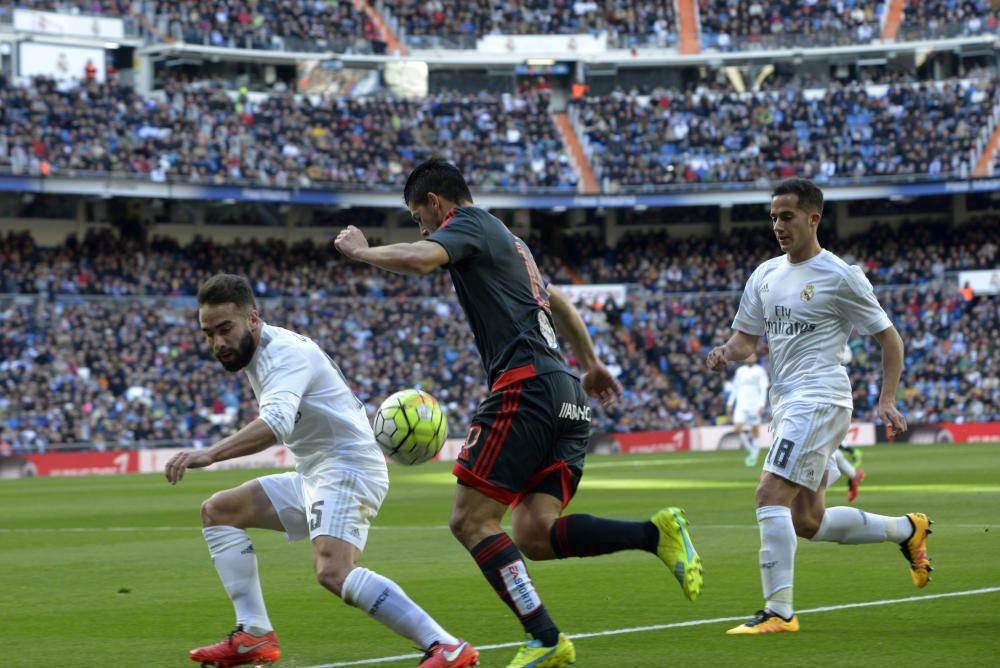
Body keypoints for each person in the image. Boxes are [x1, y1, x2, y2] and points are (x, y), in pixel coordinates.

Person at [335, 158, 702, 667]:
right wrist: (591, 364)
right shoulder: (512, 243)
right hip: (566, 392)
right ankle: (654, 533)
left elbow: (421, 259)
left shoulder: (467, 224)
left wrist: (363, 251)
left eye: (418, 217)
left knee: (470, 521)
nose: (420, 228)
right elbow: (559, 301)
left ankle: (547, 639)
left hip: (524, 388)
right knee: (535, 533)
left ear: (436, 205)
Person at [164, 274, 479, 668]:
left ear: (253, 319)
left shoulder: (284, 355)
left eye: (225, 329)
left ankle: (446, 646)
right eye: (209, 334)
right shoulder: (255, 353)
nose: (218, 343)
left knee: (333, 571)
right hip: (316, 471)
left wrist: (210, 454)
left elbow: (276, 424)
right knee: (219, 511)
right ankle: (254, 636)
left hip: (348, 466)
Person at [705, 178, 932, 635]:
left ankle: (779, 612)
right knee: (806, 520)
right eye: (773, 217)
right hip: (786, 401)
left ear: (813, 218)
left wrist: (886, 398)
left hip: (821, 397)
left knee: (768, 494)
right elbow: (747, 340)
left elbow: (890, 338)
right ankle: (908, 530)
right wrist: (726, 353)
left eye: (786, 216)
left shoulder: (840, 275)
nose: (778, 226)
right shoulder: (764, 275)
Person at [727, 352, 769, 466]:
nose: (750, 357)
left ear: (756, 358)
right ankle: (752, 451)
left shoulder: (760, 371)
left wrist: (761, 405)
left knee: (755, 431)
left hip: (754, 404)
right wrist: (730, 403)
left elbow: (763, 389)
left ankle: (753, 455)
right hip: (741, 404)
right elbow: (735, 388)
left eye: (752, 355)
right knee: (737, 428)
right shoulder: (740, 371)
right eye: (748, 355)